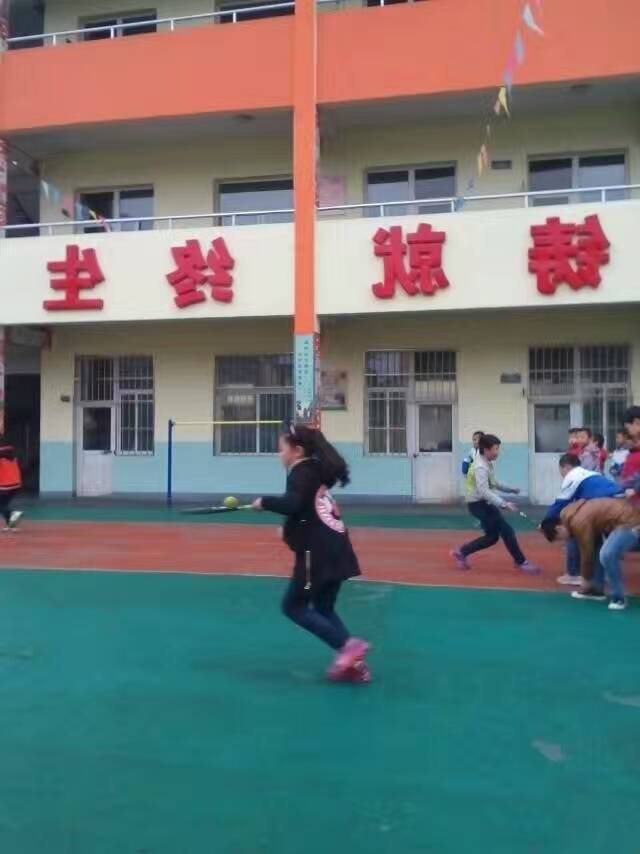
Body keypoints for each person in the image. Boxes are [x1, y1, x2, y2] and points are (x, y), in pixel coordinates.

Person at [252, 424, 370, 683]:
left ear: (297, 451)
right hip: (336, 549)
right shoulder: (317, 471)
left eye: (281, 449)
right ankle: (355, 665)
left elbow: (292, 504)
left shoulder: (300, 472)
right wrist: (288, 531)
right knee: (324, 608)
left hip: (315, 555)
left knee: (293, 606)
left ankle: (348, 647)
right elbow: (306, 510)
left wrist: (264, 502)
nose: (279, 454)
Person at [451, 433, 539, 574]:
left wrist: (510, 489)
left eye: (498, 448)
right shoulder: (480, 466)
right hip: (478, 505)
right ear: (486, 449)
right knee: (507, 530)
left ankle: (462, 552)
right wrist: (503, 504)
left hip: (484, 504)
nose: (498, 452)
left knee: (491, 538)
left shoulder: (486, 462)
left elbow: (493, 482)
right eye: (496, 449)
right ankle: (521, 561)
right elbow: (484, 491)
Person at [540, 496, 640, 610]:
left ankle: (618, 598)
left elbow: (587, 553)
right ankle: (595, 590)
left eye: (560, 538)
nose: (564, 540)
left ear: (559, 528)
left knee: (607, 555)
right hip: (622, 520)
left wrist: (585, 578)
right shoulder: (569, 515)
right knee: (598, 546)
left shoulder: (578, 522)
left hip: (629, 522)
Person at [542, 453, 621, 585]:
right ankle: (601, 575)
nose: (561, 474)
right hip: (619, 505)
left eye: (560, 470)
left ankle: (575, 574)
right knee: (599, 541)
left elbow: (561, 502)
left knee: (575, 533)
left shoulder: (572, 475)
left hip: (606, 508)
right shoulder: (591, 475)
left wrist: (545, 522)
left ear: (566, 467)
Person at [0, 436, 23, 532]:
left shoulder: (2, 459)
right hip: (16, 485)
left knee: (2, 505)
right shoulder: (14, 458)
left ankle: (14, 515)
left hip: (5, 486)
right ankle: (11, 525)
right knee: (4, 505)